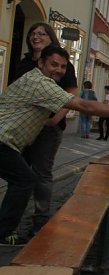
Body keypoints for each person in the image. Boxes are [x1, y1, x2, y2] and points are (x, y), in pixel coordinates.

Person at [0, 45, 109, 245]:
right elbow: (84, 106)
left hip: (7, 142)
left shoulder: (39, 82)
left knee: (22, 179)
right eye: (54, 64)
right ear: (41, 63)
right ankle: (4, 232)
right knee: (24, 180)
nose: (58, 70)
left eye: (63, 67)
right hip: (2, 141)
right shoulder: (40, 83)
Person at [11, 22, 78, 236]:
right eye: (33, 33)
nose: (36, 36)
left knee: (41, 173)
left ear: (50, 38)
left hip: (47, 129)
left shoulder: (60, 62)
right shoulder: (25, 63)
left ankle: (40, 219)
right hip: (23, 127)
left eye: (42, 33)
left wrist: (54, 118)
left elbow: (72, 93)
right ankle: (9, 218)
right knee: (18, 173)